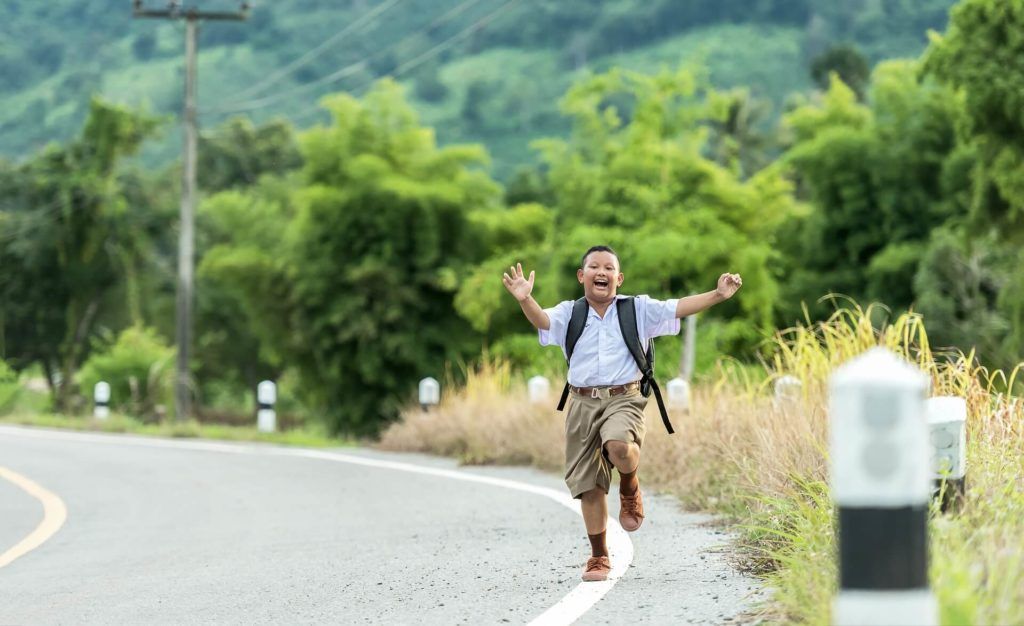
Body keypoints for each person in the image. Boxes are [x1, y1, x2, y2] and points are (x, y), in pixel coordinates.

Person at [501, 245, 743, 582]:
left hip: (624, 398)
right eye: (594, 267)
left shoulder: (638, 309)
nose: (602, 272)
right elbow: (542, 320)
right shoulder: (570, 313)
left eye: (609, 268)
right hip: (581, 402)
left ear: (619, 277)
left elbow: (679, 307)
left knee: (619, 446)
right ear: (581, 276)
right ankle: (599, 556)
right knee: (589, 486)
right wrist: (526, 299)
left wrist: (718, 294)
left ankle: (629, 485)